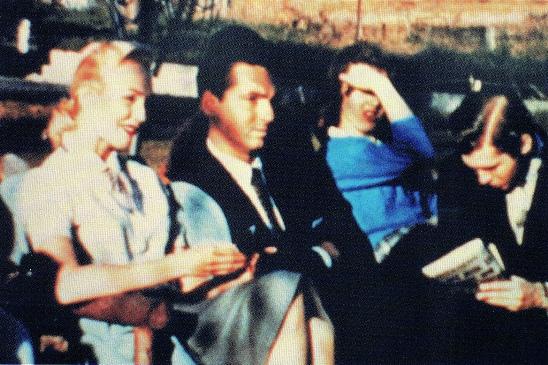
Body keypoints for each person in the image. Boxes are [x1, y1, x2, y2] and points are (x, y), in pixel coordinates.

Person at [19, 41, 247, 364]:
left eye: (145, 102)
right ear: (88, 98)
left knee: (285, 290)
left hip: (172, 339)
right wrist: (171, 267)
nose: (141, 115)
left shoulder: (142, 179)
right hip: (103, 352)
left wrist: (220, 269)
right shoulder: (50, 181)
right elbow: (64, 283)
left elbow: (176, 280)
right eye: (130, 99)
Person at [167, 25, 374, 365]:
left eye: (271, 100)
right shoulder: (193, 187)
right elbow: (236, 283)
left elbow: (352, 243)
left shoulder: (291, 164)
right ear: (210, 104)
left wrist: (297, 258)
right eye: (252, 100)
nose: (269, 114)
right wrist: (317, 253)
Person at [436, 90, 547, 362]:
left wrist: (540, 295)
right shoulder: (466, 175)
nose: (482, 179)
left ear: (523, 144)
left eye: (492, 167)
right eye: (474, 169)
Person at [322, 42, 437, 264]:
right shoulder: (341, 154)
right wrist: (382, 84)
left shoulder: (384, 147)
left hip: (420, 237)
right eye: (367, 91)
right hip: (386, 252)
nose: (376, 103)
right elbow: (422, 151)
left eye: (382, 95)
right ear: (343, 90)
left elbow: (427, 197)